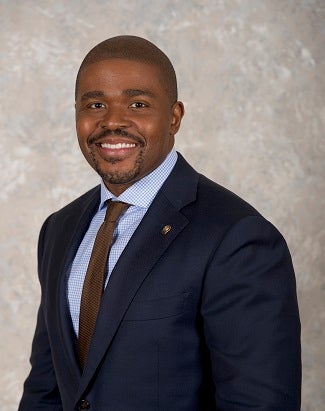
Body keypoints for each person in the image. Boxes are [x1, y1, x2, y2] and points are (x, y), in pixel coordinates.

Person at [19, 35, 301, 411]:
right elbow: (46, 391)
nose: (112, 121)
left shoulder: (237, 237)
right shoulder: (60, 229)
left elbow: (258, 404)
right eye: (95, 104)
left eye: (138, 103)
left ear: (174, 116)